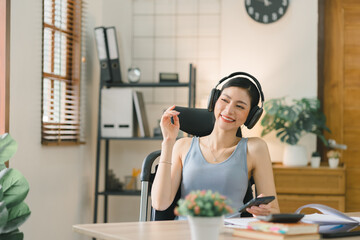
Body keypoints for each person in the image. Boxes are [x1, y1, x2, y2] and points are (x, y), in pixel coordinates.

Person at [151, 73, 280, 217]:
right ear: (213, 101)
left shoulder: (255, 148)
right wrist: (168, 142)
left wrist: (263, 212)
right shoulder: (182, 146)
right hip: (187, 233)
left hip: (231, 234)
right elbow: (159, 204)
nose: (229, 110)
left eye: (240, 106)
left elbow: (274, 210)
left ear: (251, 116)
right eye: (225, 100)